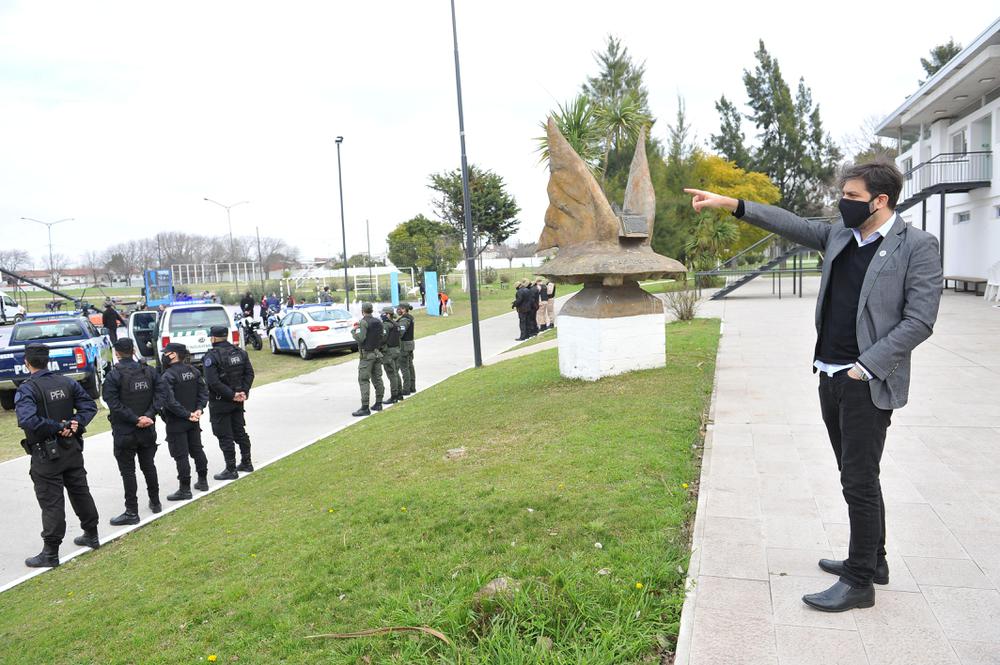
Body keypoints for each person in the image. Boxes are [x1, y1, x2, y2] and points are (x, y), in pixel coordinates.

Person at [685, 160, 943, 613]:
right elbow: (791, 223)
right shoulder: (840, 235)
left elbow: (919, 320)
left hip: (867, 380)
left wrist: (865, 368)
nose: (842, 203)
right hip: (829, 373)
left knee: (858, 480)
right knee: (857, 474)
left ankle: (860, 582)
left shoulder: (916, 245)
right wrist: (734, 205)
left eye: (852, 196)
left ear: (880, 201)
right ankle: (874, 559)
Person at [15, 344, 100, 567]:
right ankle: (92, 534)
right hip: (71, 447)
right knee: (80, 491)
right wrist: (73, 424)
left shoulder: (28, 388)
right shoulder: (66, 382)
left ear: (27, 362)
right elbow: (89, 406)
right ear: (47, 360)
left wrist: (62, 426)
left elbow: (27, 420)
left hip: (46, 453)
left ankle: (50, 552)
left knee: (51, 501)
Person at [102, 338, 164, 525]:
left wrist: (137, 418)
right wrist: (148, 415)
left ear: (117, 353)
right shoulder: (149, 371)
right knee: (149, 466)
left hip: (125, 431)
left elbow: (113, 404)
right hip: (147, 428)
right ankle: (156, 501)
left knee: (128, 472)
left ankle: (132, 511)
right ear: (134, 349)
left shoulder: (113, 376)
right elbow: (161, 395)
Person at [203, 325, 255, 480]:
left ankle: (231, 469)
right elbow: (249, 374)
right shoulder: (240, 352)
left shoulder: (211, 357)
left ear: (213, 337)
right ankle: (247, 462)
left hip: (221, 402)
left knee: (224, 435)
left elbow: (213, 382)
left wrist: (232, 395)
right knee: (239, 431)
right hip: (238, 400)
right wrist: (242, 392)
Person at [160, 342, 210, 501]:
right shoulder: (194, 371)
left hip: (177, 421)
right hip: (193, 419)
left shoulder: (168, 376)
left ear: (173, 354)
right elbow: (203, 393)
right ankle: (203, 481)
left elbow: (169, 401)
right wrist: (198, 410)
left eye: (166, 353)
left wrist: (187, 414)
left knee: (181, 456)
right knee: (197, 450)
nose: (164, 356)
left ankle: (185, 489)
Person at [350, 302, 384, 416]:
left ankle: (365, 407)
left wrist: (354, 331)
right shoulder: (378, 321)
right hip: (377, 353)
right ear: (372, 310)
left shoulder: (363, 322)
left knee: (363, 380)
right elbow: (382, 337)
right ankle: (379, 403)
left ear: (362, 311)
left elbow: (361, 338)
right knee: (377, 379)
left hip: (367, 356)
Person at [380, 306, 403, 404]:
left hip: (389, 352)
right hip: (397, 350)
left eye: (384, 313)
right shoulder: (396, 324)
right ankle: (399, 394)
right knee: (396, 373)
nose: (382, 315)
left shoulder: (386, 325)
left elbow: (383, 339)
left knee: (391, 374)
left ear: (388, 314)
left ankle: (394, 396)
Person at [396, 302, 416, 395]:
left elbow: (400, 333)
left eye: (399, 308)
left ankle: (406, 389)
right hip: (410, 345)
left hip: (404, 346)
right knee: (410, 367)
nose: (398, 310)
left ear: (404, 309)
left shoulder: (404, 319)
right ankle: (412, 387)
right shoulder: (410, 317)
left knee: (405, 368)